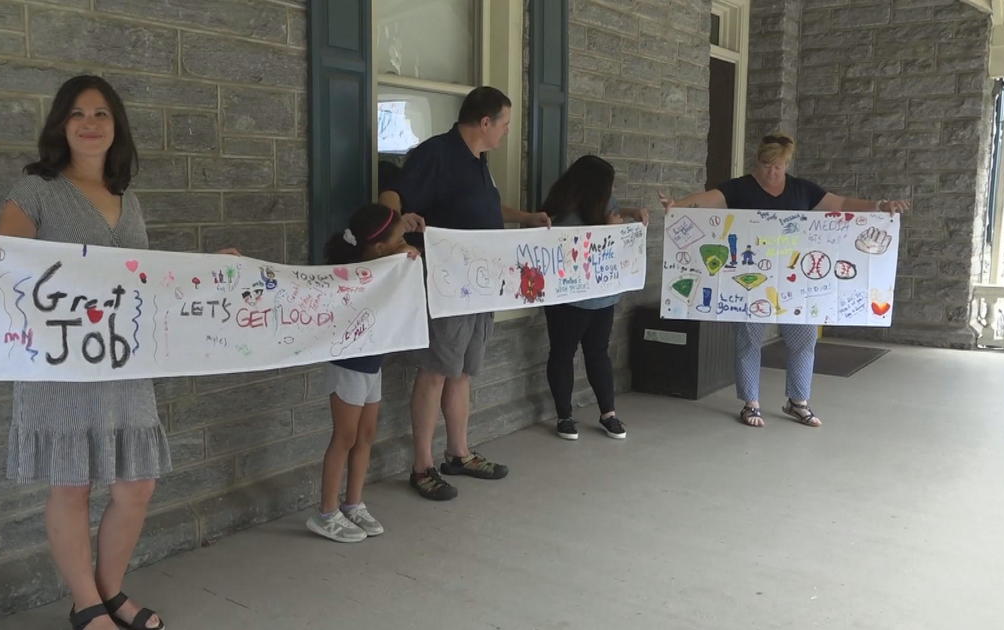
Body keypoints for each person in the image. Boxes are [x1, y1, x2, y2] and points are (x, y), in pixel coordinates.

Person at [0, 76, 237, 630]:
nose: (89, 124)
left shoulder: (127, 198)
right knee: (72, 482)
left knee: (137, 484)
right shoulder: (36, 190)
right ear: (60, 125)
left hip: (123, 363)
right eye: (76, 114)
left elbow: (143, 281)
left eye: (101, 114)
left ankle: (111, 591)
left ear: (116, 127)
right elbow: (1, 263)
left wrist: (210, 270)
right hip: (57, 363)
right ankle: (85, 603)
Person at [658, 133, 910, 429]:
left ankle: (797, 401)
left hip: (797, 282)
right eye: (766, 165)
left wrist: (879, 206)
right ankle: (750, 403)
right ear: (757, 162)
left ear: (786, 163)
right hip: (750, 280)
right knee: (749, 339)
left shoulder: (801, 189)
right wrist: (678, 205)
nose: (771, 172)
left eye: (778, 166)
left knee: (803, 340)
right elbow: (708, 199)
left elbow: (840, 202)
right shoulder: (739, 188)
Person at [379, 86, 550, 500]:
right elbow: (393, 194)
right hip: (446, 283)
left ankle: (459, 452)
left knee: (463, 370)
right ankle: (421, 466)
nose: (506, 132)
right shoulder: (435, 153)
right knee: (436, 369)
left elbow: (486, 207)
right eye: (505, 124)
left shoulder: (479, 162)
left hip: (482, 285)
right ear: (485, 122)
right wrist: (396, 225)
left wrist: (524, 217)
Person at [305, 204, 420, 542]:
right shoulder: (354, 275)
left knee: (366, 434)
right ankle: (326, 511)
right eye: (399, 239)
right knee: (345, 437)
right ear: (381, 248)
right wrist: (402, 254)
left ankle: (353, 503)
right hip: (349, 365)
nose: (406, 243)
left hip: (373, 361)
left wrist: (406, 252)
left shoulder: (389, 266)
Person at [539, 155, 649, 441]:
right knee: (563, 353)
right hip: (567, 299)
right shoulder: (561, 214)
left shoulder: (604, 204)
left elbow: (610, 217)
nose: (612, 194)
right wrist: (609, 231)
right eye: (608, 187)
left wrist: (630, 214)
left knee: (598, 353)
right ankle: (564, 415)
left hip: (603, 297)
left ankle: (608, 412)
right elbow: (565, 248)